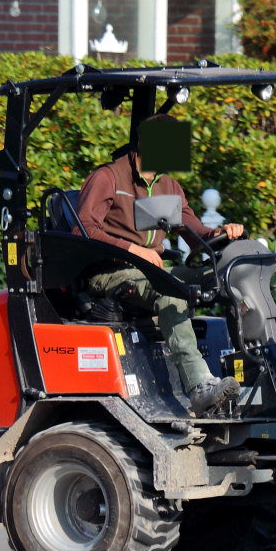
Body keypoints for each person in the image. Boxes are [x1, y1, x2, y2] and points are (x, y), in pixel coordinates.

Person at [75, 114, 243, 417]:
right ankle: (200, 387)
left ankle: (249, 369)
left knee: (228, 277)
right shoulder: (109, 177)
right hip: (109, 272)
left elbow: (196, 233)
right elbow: (83, 230)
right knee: (170, 292)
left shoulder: (169, 185)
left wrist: (221, 232)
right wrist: (133, 250)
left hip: (151, 270)